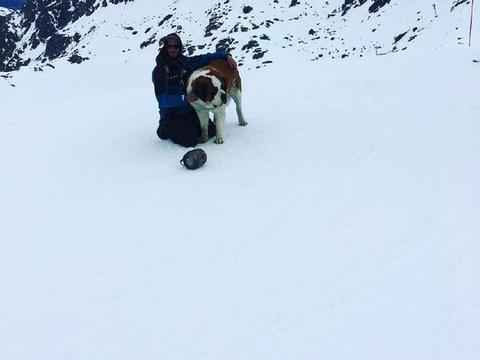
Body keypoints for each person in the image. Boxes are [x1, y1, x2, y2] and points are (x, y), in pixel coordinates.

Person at [152, 33, 238, 147]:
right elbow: (162, 100)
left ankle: (184, 126)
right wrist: (185, 99)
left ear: (180, 47)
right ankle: (164, 128)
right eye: (169, 46)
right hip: (172, 113)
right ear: (165, 48)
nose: (172, 49)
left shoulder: (185, 62)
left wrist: (226, 56)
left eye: (176, 46)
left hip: (190, 109)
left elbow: (206, 57)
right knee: (190, 141)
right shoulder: (159, 71)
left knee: (211, 131)